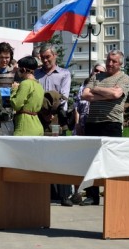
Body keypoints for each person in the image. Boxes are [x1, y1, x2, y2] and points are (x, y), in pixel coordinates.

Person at [81, 50, 129, 206]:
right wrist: (105, 93)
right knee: (90, 160)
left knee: (111, 160)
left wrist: (96, 89)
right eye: (109, 60)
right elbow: (84, 94)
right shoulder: (96, 76)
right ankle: (92, 195)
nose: (110, 63)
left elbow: (116, 95)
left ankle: (112, 193)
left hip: (111, 123)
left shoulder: (123, 77)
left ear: (120, 63)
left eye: (114, 61)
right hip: (93, 122)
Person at [34, 43, 74, 207]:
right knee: (42, 157)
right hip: (40, 119)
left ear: (55, 56)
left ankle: (65, 195)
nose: (45, 60)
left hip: (57, 119)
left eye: (48, 57)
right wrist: (43, 111)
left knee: (61, 157)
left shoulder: (64, 74)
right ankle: (45, 193)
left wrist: (52, 109)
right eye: (42, 57)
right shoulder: (36, 74)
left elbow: (63, 97)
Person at [10, 56, 45, 136]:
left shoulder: (25, 84)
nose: (18, 71)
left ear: (24, 70)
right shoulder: (39, 85)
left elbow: (16, 105)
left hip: (25, 126)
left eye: (19, 68)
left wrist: (14, 90)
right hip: (37, 124)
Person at [73, 63, 106, 136]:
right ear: (92, 71)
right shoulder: (83, 87)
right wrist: (77, 124)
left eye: (101, 72)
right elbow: (77, 107)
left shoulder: (106, 88)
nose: (98, 73)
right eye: (96, 70)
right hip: (82, 124)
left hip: (97, 125)